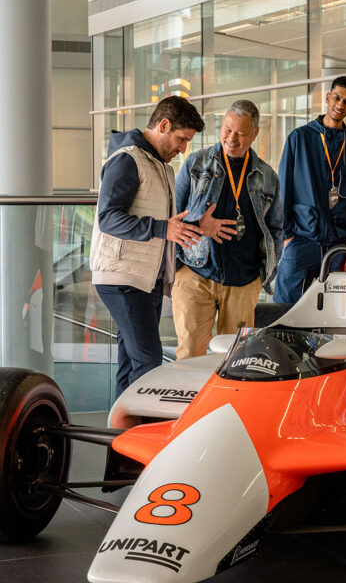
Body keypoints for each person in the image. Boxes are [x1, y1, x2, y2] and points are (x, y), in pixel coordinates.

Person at [90, 96, 208, 398]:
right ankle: (142, 437)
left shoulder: (161, 167)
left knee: (132, 364)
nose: (183, 150)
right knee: (149, 362)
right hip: (123, 278)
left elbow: (162, 226)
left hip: (146, 280)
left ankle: (120, 440)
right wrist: (162, 228)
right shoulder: (127, 159)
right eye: (181, 140)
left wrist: (195, 228)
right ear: (163, 125)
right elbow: (108, 218)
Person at [172, 100, 284, 360]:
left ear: (255, 134)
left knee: (236, 359)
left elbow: (276, 230)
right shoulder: (196, 164)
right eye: (227, 130)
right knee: (190, 355)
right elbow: (173, 217)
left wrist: (262, 278)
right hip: (195, 272)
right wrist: (179, 265)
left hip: (244, 281)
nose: (231, 138)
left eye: (241, 133)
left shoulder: (268, 176)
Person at [273, 75, 346, 305]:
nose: (340, 105)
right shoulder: (300, 139)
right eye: (337, 98)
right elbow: (284, 189)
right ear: (328, 98)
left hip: (339, 245)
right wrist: (287, 236)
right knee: (286, 309)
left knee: (331, 310)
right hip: (301, 240)